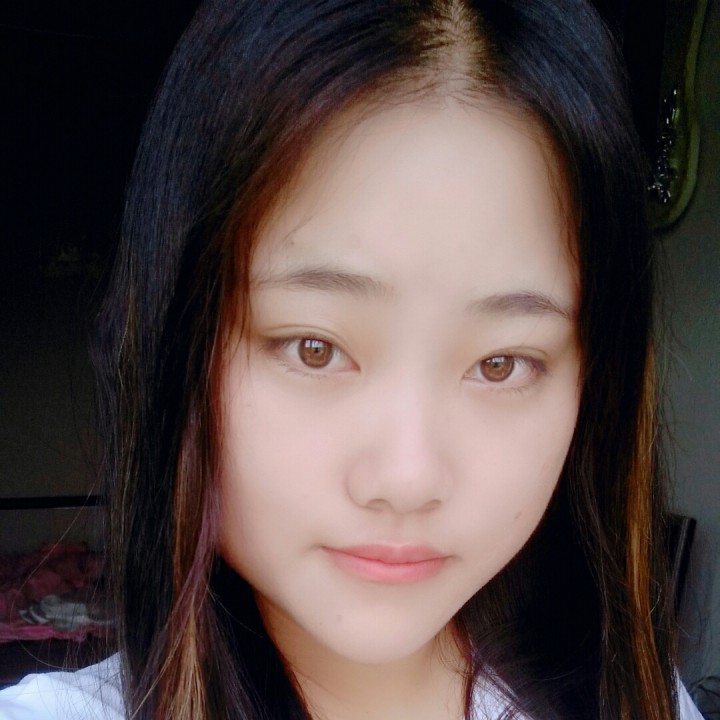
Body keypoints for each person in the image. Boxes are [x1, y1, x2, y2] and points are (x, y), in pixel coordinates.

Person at [0, 0, 707, 718]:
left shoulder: (638, 699)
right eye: (315, 349)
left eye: (502, 364)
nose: (407, 479)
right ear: (178, 340)